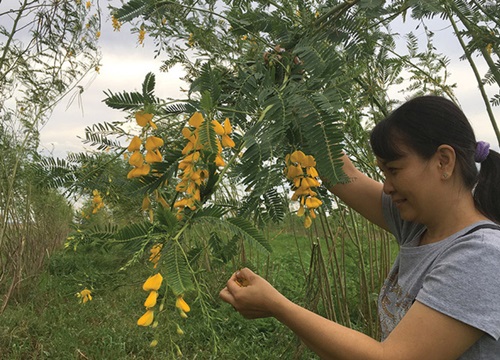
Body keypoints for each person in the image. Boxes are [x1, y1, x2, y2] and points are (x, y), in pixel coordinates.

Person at [219, 95, 500, 359]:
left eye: (394, 170)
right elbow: (343, 174)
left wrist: (276, 306)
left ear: (443, 161)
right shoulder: (417, 226)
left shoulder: (481, 256)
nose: (387, 186)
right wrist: (296, 98)